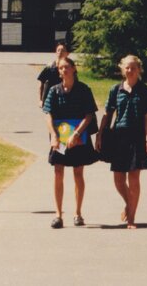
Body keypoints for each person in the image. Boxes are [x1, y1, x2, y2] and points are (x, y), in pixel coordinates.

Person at [96, 55, 147, 229]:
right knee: (118, 179)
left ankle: (131, 218)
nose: (130, 71)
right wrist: (100, 134)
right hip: (118, 137)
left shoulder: (146, 91)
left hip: (137, 137)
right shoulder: (115, 90)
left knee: (134, 178)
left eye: (133, 68)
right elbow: (108, 114)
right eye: (127, 68)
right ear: (123, 69)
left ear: (139, 70)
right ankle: (128, 203)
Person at [43, 54, 98, 228]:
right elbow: (48, 114)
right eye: (61, 68)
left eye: (67, 67)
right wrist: (53, 135)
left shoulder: (84, 89)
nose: (64, 70)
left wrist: (77, 133)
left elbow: (89, 114)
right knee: (58, 172)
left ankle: (78, 213)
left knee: (78, 173)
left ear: (74, 69)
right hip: (59, 137)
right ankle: (58, 214)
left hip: (78, 137)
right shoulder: (53, 90)